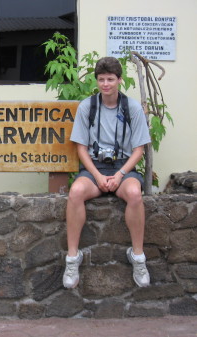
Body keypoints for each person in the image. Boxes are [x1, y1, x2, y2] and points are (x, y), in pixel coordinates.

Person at [63, 56, 151, 289]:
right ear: (97, 81)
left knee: (134, 193)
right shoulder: (87, 106)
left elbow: (139, 150)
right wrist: (99, 176)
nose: (106, 84)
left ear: (119, 80)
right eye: (101, 79)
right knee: (76, 192)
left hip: (123, 166)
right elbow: (81, 149)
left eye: (110, 79)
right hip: (95, 167)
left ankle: (138, 256)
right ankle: (73, 257)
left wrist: (121, 174)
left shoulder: (131, 107)